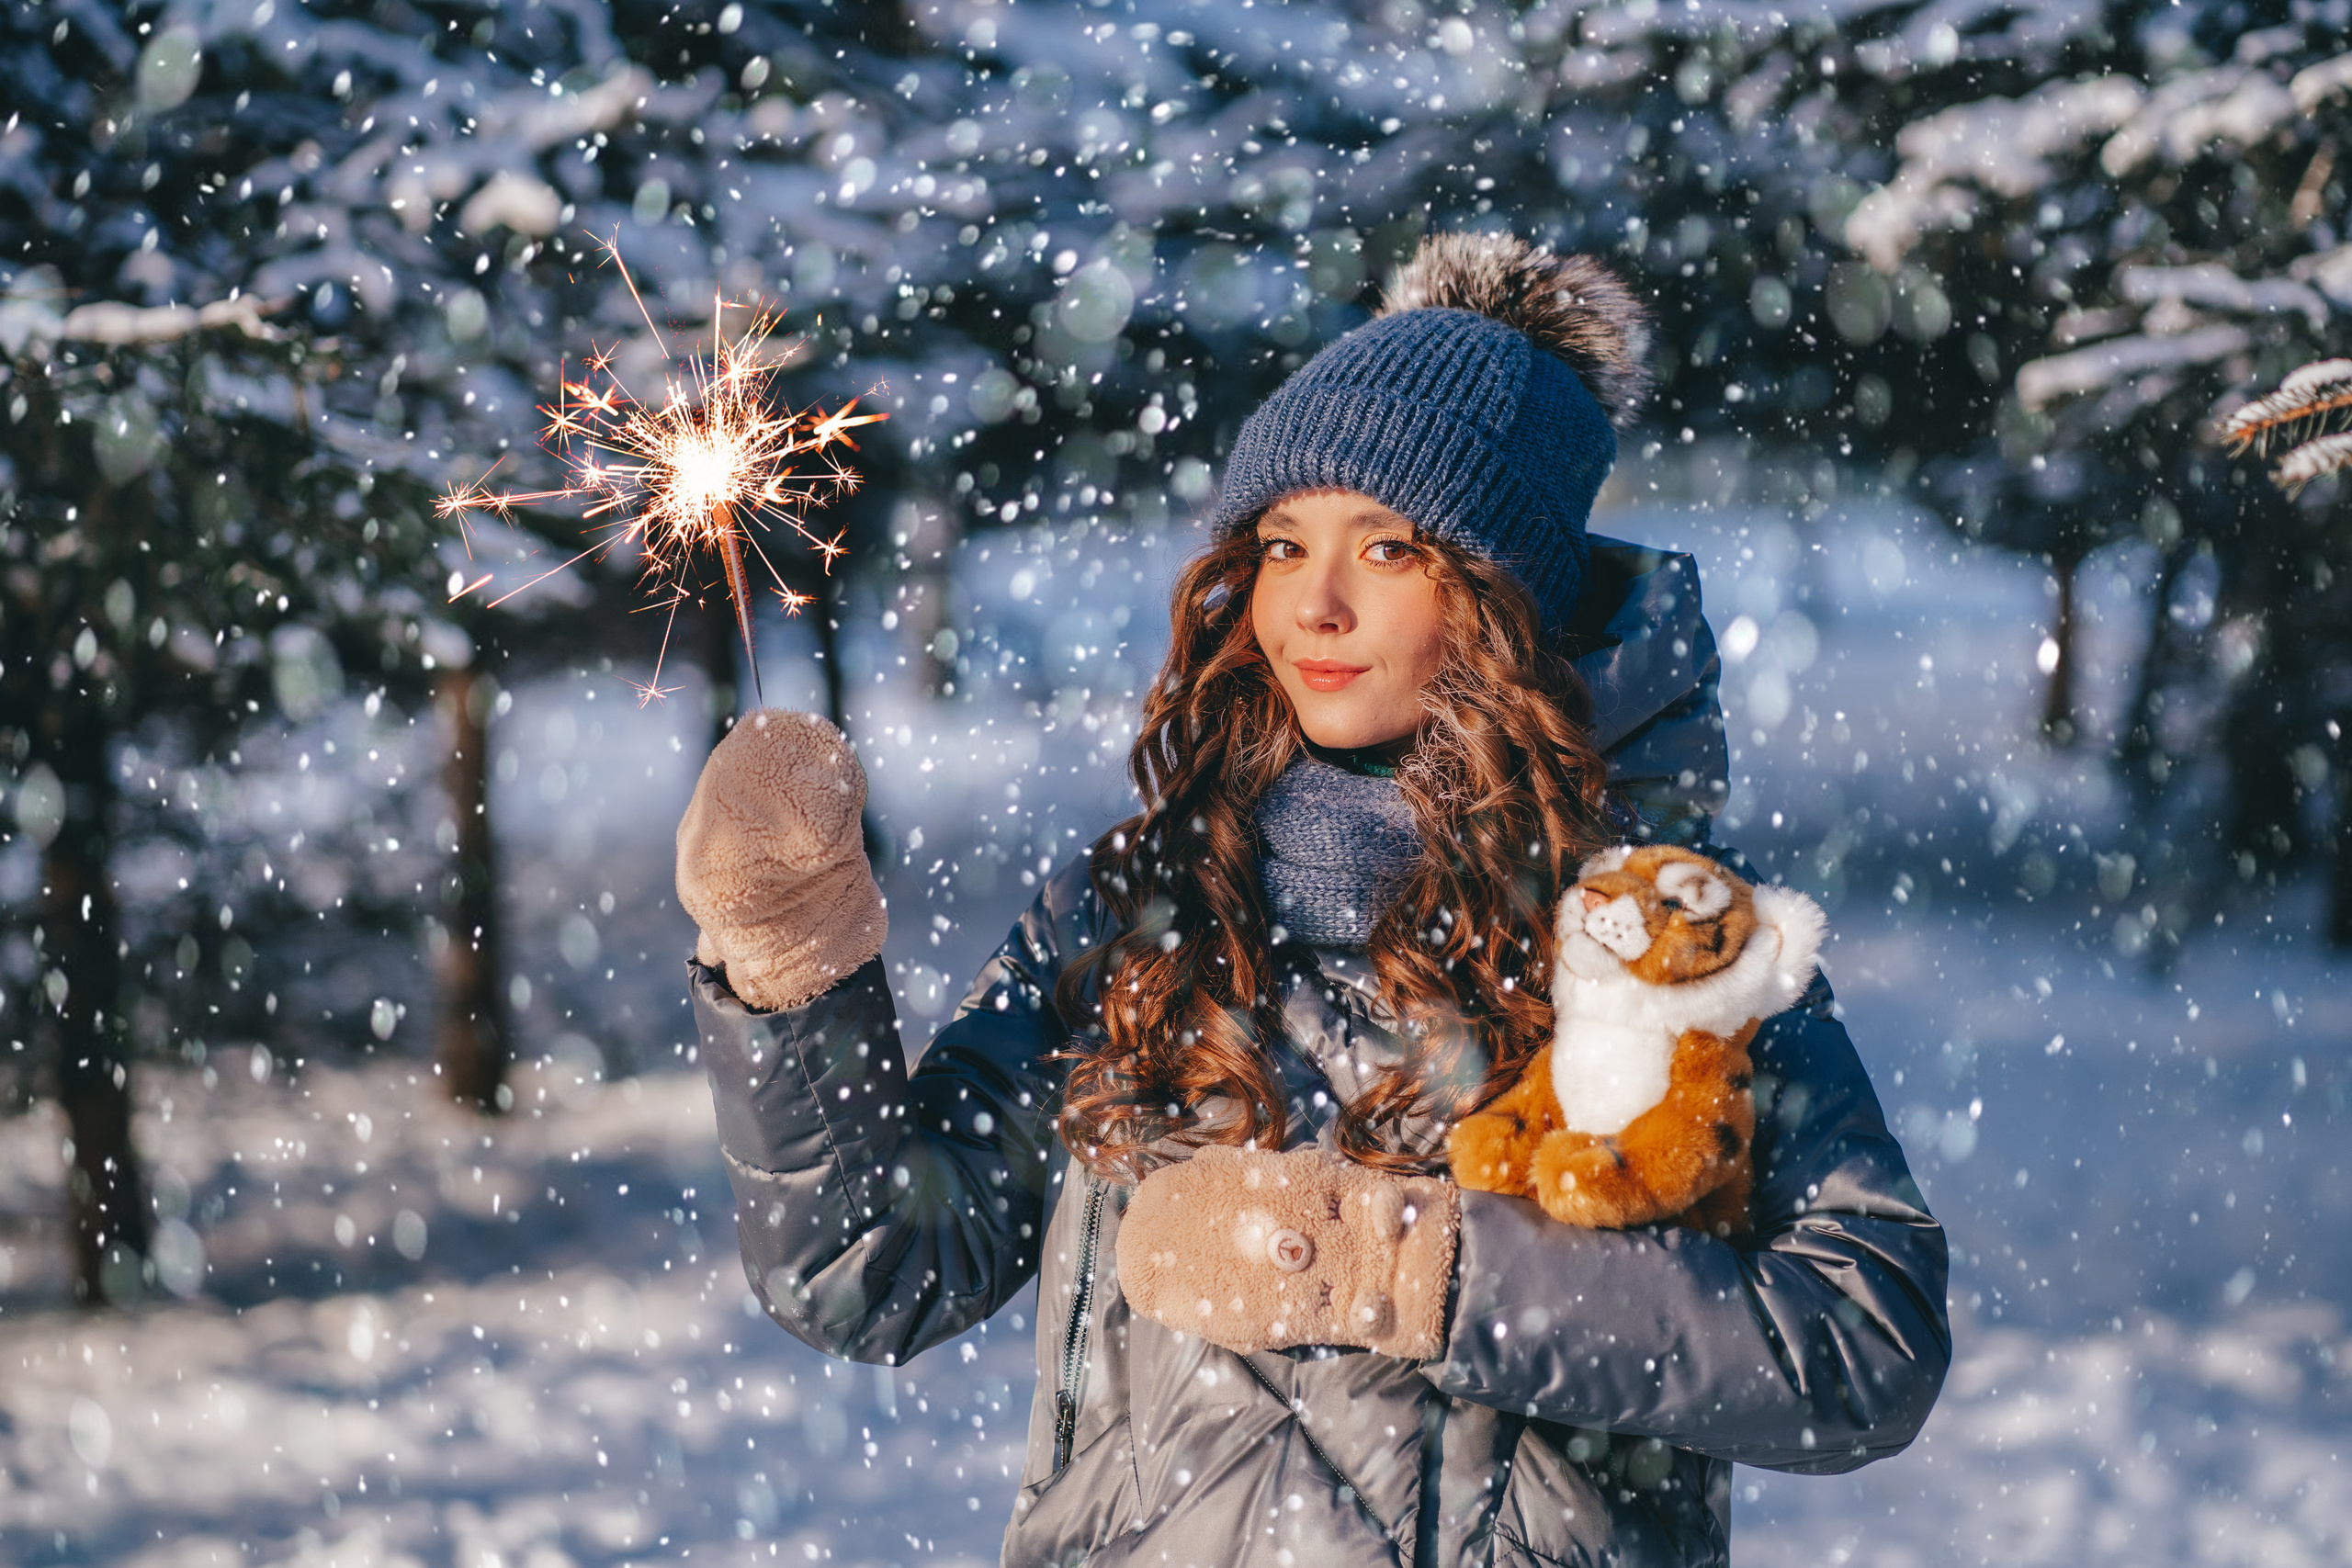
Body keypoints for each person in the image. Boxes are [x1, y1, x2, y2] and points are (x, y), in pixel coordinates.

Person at [673, 231, 1950, 1568]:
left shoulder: (1657, 936)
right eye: (1283, 545)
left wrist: (1417, 1272)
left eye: (1390, 549)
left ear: (1508, 591)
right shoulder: (1142, 908)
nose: (1316, 607)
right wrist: (794, 965)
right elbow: (874, 1269)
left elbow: (1866, 1337)